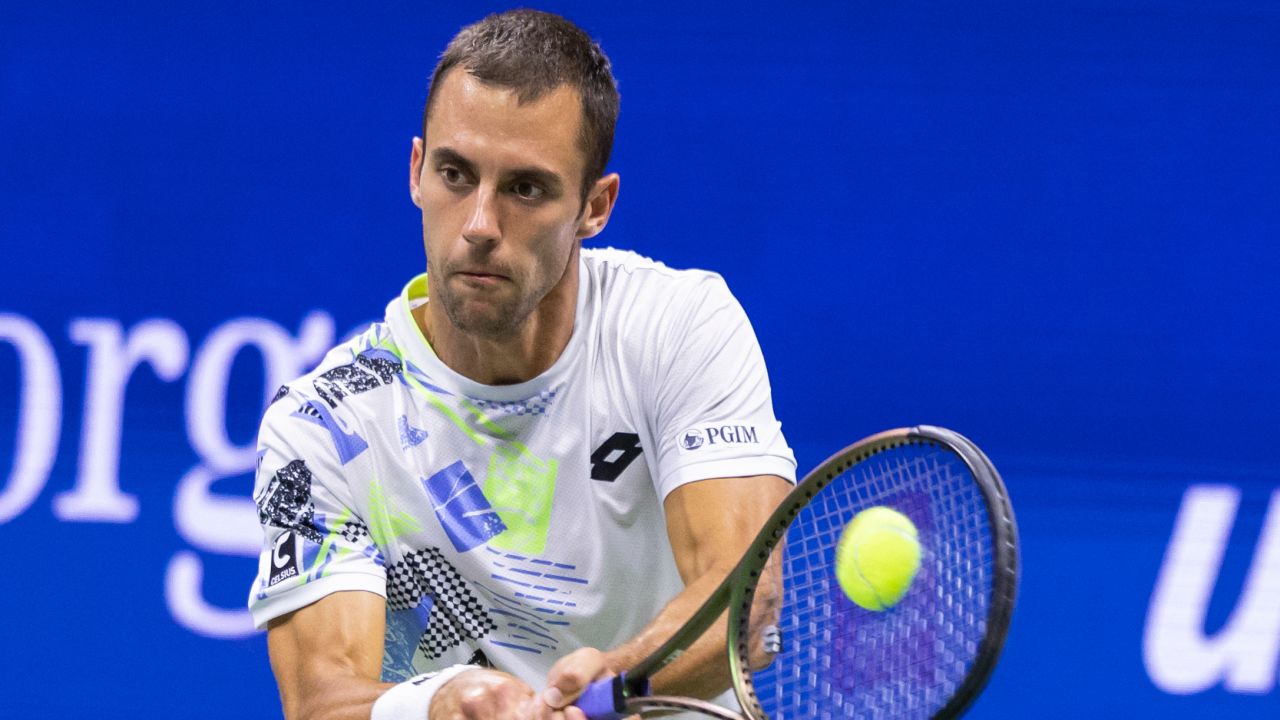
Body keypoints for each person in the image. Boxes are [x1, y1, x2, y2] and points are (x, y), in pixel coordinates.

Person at [248, 9, 795, 720]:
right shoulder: (328, 425)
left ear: (595, 206)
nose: (479, 224)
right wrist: (443, 705)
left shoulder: (677, 326)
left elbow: (745, 599)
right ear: (416, 172)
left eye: (525, 189)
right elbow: (323, 700)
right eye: (455, 174)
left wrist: (610, 684)